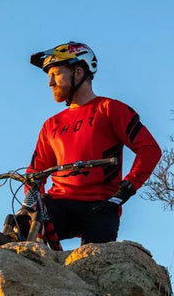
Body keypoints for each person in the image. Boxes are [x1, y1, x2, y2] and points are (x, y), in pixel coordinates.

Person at [26, 41, 162, 245]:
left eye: (56, 74)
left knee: (96, 259)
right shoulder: (51, 124)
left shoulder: (109, 109)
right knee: (23, 226)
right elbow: (35, 171)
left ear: (79, 72)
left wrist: (127, 187)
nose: (50, 83)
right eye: (49, 77)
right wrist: (32, 201)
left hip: (101, 204)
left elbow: (150, 149)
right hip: (59, 202)